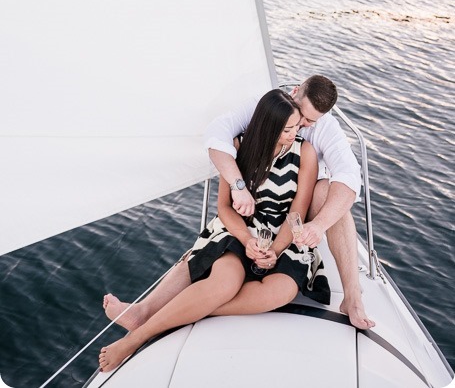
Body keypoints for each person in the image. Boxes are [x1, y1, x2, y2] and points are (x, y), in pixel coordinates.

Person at [103, 75, 375, 331]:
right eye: (301, 116)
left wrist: (318, 225)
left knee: (331, 192)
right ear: (294, 95)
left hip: (296, 215)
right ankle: (146, 311)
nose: (303, 126)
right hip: (253, 210)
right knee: (214, 252)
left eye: (312, 121)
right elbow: (216, 135)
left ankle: (352, 295)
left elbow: (349, 177)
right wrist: (239, 187)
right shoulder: (267, 112)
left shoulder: (317, 134)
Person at [99, 90, 330, 372]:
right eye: (288, 128)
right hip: (240, 230)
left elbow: (297, 211)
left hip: (283, 234)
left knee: (280, 292)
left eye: (297, 126)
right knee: (224, 284)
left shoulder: (304, 152)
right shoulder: (239, 147)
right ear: (269, 127)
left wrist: (275, 251)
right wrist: (247, 241)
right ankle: (136, 339)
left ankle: (174, 311)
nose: (296, 132)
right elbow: (224, 207)